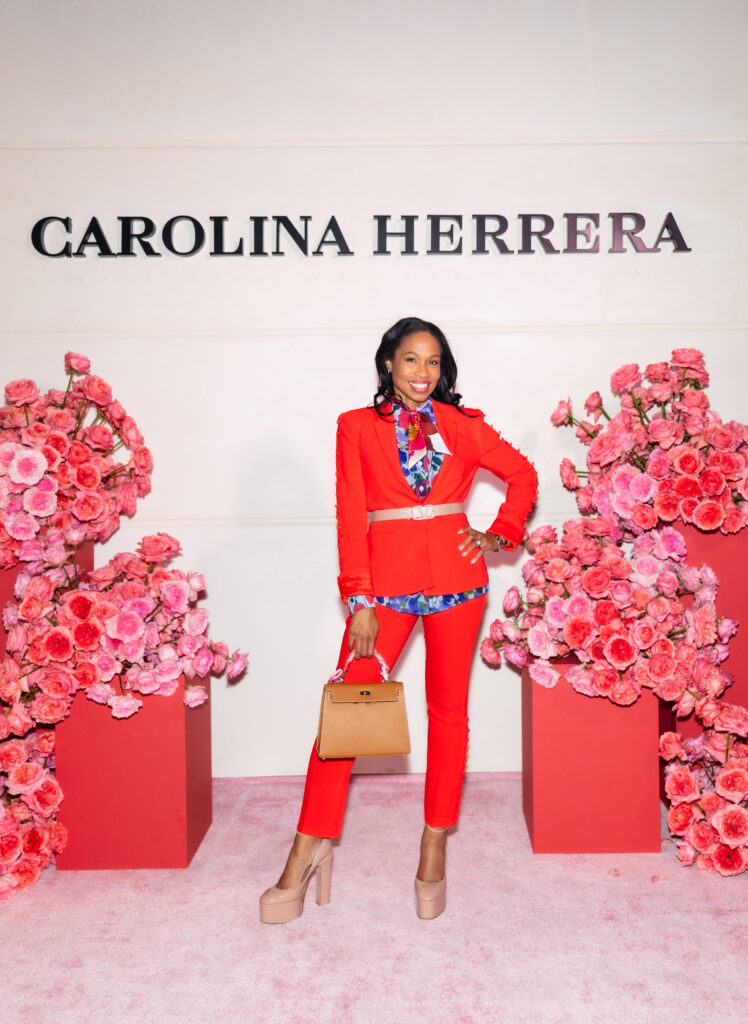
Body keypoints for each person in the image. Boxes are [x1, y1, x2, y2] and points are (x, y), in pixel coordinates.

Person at [260, 316, 537, 923]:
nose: (422, 373)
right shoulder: (356, 427)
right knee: (347, 712)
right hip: (382, 589)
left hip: (458, 585)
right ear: (389, 363)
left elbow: (523, 475)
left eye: (434, 362)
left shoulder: (465, 426)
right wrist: (358, 598)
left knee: (448, 714)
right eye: (411, 360)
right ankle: (309, 846)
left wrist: (499, 534)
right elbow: (349, 514)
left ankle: (434, 842)